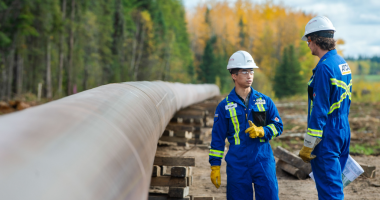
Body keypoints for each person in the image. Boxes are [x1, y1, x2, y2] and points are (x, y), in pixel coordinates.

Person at [209, 50, 283, 200]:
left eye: (251, 71)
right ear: (234, 75)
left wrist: (262, 131)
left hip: (263, 160)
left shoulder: (265, 101)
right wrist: (215, 165)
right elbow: (217, 138)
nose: (249, 75)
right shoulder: (224, 106)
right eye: (244, 72)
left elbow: (278, 126)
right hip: (237, 164)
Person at [298, 16, 352, 200]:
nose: (308, 45)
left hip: (327, 135)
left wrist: (308, 145)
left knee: (330, 190)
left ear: (314, 40)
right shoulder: (342, 64)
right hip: (343, 129)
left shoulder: (324, 68)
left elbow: (319, 110)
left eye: (308, 41)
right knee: (335, 183)